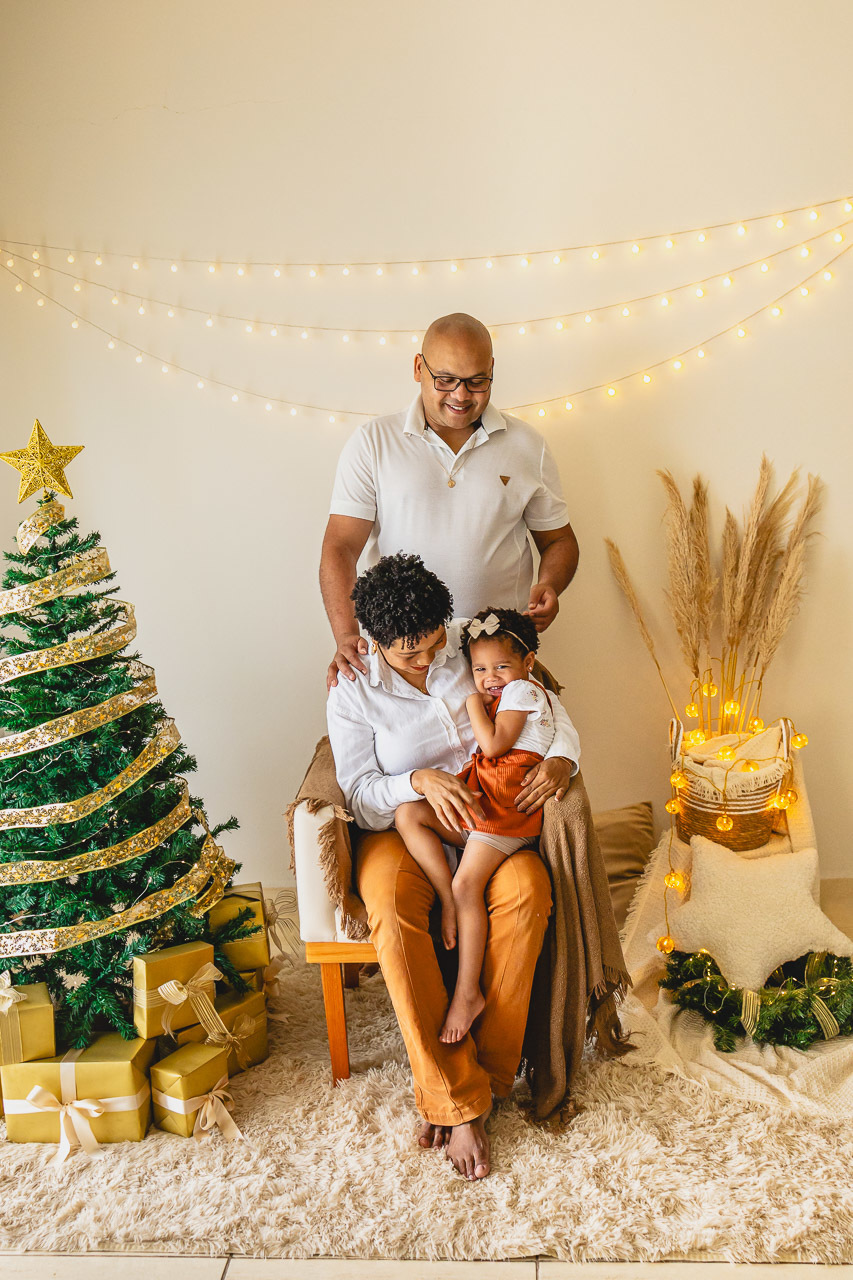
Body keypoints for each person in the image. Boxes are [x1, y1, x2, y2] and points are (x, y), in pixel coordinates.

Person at [326, 553, 581, 1181]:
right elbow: (357, 790)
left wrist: (563, 761)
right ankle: (454, 1098)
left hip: (487, 823)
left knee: (528, 893)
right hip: (405, 825)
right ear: (375, 641)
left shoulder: (472, 639)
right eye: (410, 655)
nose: (427, 661)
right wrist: (416, 780)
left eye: (434, 646)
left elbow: (544, 702)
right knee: (389, 904)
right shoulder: (353, 686)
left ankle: (482, 1086)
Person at [320, 312, 579, 692]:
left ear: (492, 370)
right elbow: (340, 546)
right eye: (445, 380)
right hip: (403, 662)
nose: (461, 395)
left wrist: (551, 584)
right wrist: (346, 635)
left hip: (497, 665)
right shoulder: (373, 442)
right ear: (417, 367)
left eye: (477, 382)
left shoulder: (527, 445)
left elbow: (559, 540)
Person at [395, 606, 558, 1046]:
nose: (489, 678)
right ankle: (447, 894)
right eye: (480, 669)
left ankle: (468, 993)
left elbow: (493, 743)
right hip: (487, 800)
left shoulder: (525, 690)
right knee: (408, 813)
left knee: (472, 888)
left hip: (508, 809)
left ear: (526, 663)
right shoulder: (508, 693)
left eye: (500, 667)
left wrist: (471, 701)